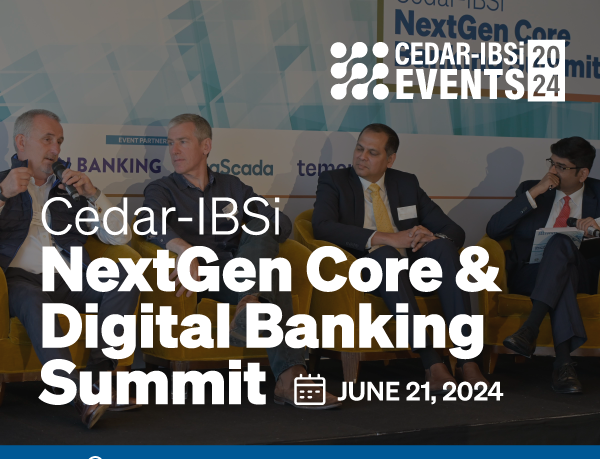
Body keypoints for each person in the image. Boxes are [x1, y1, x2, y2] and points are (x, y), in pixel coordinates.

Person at [140, 113, 340, 410]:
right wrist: (185, 250)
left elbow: (280, 223)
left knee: (264, 236)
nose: (174, 150)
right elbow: (148, 222)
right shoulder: (162, 189)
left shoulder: (233, 187)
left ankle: (251, 301)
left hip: (238, 269)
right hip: (201, 276)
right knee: (272, 272)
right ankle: (290, 379)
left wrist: (257, 229)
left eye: (183, 142)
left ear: (206, 146)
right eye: (170, 143)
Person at [312, 123, 488, 394]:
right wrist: (387, 238)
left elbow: (454, 230)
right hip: (367, 270)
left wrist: (430, 236)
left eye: (372, 152)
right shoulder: (334, 181)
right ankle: (431, 362)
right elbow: (322, 226)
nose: (361, 157)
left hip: (413, 269)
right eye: (359, 148)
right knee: (385, 254)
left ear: (390, 159)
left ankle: (467, 358)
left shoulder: (406, 183)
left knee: (443, 248)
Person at [0, 109, 140, 428]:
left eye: (60, 142)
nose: (56, 150)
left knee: (124, 279)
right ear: (21, 142)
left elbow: (120, 236)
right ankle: (78, 394)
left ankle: (100, 379)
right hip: (19, 280)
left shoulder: (70, 188)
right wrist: (3, 194)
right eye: (47, 140)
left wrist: (93, 195)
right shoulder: (2, 182)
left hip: (69, 276)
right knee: (35, 303)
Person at [487, 137, 599, 394]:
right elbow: (494, 230)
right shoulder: (532, 189)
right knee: (562, 276)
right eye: (552, 163)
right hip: (530, 273)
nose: (552, 171)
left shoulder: (598, 193)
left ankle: (529, 329)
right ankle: (563, 364)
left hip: (582, 272)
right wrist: (535, 192)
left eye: (561, 167)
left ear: (582, 173)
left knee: (561, 244)